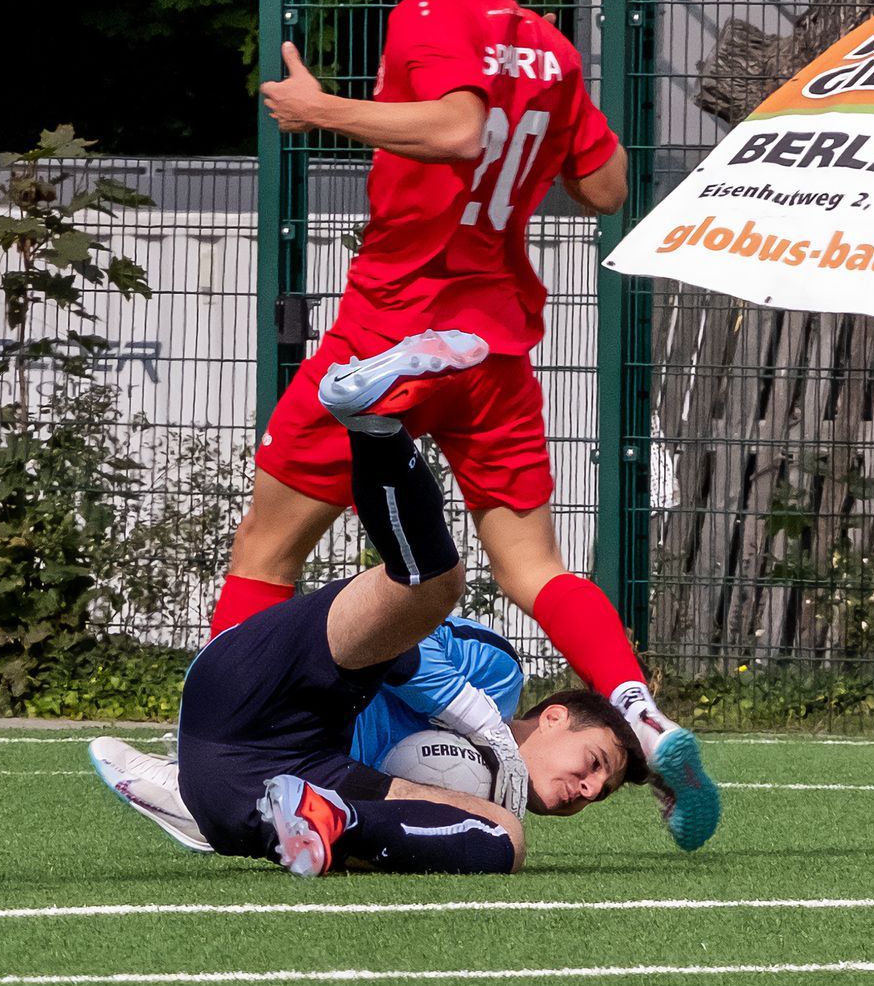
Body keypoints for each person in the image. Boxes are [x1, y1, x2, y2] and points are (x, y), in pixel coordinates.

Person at [208, 0, 717, 850]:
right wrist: (536, 138)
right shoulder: (551, 49)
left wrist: (321, 108)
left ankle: (224, 749)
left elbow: (455, 127)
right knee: (534, 565)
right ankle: (637, 705)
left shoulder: (429, 17)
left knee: (269, 545)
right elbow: (607, 185)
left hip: (393, 327)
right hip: (494, 344)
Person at [96, 332, 647, 876]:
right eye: (594, 764)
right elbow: (406, 644)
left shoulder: (485, 794)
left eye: (598, 794)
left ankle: (276, 812)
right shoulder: (497, 673)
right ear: (553, 718)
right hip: (264, 684)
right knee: (431, 589)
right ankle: (374, 425)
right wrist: (479, 720)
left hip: (262, 778)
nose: (589, 789)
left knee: (506, 838)